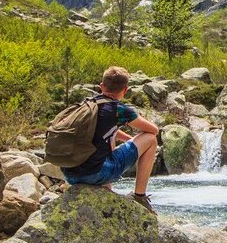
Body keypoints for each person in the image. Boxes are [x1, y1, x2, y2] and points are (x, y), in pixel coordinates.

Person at [61, 66, 159, 214]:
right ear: (125, 90)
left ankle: (105, 192)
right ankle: (140, 196)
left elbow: (106, 129)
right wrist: (136, 141)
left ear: (101, 86)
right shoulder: (118, 109)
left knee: (104, 143)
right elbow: (153, 130)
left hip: (70, 174)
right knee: (151, 140)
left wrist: (129, 139)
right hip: (96, 174)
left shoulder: (87, 104)